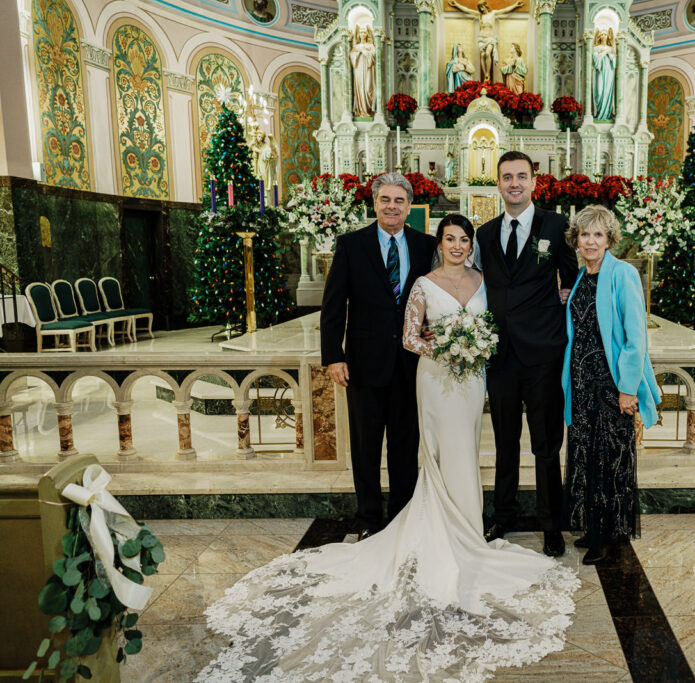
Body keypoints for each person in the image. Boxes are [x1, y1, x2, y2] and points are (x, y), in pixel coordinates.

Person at [199, 215, 579, 681]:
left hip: (472, 379)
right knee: (435, 451)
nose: (457, 246)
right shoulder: (423, 283)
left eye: (463, 239)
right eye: (450, 239)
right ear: (439, 243)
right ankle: (438, 524)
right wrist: (449, 349)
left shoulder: (484, 281)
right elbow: (409, 336)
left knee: (465, 448)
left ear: (471, 244)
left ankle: (468, 524)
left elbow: (502, 317)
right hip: (438, 379)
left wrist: (477, 344)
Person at [474, 151, 578, 557]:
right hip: (500, 354)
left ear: (534, 181)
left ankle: (552, 523)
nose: (514, 183)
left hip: (543, 353)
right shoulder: (484, 233)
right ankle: (504, 514)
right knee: (504, 440)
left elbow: (572, 280)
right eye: (507, 177)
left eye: (521, 176)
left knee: (546, 443)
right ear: (498, 184)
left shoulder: (557, 225)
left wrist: (562, 304)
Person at [319, 173, 434, 540]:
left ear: (409, 206)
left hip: (410, 364)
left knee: (405, 446)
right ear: (374, 203)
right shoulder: (352, 245)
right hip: (364, 364)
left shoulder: (426, 246)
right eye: (385, 199)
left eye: (399, 201)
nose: (392, 207)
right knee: (366, 447)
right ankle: (369, 518)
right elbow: (333, 306)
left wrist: (433, 329)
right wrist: (333, 356)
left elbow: (434, 298)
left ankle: (402, 516)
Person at [561, 205, 661, 564]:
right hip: (582, 385)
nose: (590, 241)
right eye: (585, 234)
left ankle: (606, 535)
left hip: (610, 385)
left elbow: (636, 337)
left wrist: (628, 388)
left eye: (598, 234)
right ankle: (593, 527)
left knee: (609, 460)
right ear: (576, 240)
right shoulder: (581, 276)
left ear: (609, 239)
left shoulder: (623, 273)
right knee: (586, 456)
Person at [448, 0, 523, 81]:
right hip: (482, 38)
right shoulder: (480, 15)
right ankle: (485, 75)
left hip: (490, 38)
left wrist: (515, 5)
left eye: (482, 7)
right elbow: (468, 10)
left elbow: (504, 10)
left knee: (487, 53)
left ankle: (488, 73)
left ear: (485, 5)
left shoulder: (493, 13)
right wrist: (457, 5)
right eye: (480, 8)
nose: (482, 9)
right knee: (482, 55)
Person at [350, 24, 376, 117]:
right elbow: (352, 57)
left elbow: (374, 56)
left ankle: (369, 110)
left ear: (367, 34)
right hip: (358, 69)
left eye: (364, 32)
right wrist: (358, 53)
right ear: (358, 34)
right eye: (361, 32)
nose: (362, 34)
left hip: (368, 68)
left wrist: (365, 52)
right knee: (360, 88)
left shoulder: (370, 45)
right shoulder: (356, 46)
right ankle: (361, 110)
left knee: (368, 88)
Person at [592, 28, 616, 121]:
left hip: (609, 72)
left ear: (608, 36)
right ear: (599, 36)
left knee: (607, 92)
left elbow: (614, 63)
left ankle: (606, 114)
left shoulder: (611, 49)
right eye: (602, 34)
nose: (603, 36)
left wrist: (609, 54)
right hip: (600, 72)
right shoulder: (596, 48)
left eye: (605, 34)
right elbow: (595, 62)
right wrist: (602, 54)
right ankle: (599, 113)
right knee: (599, 92)